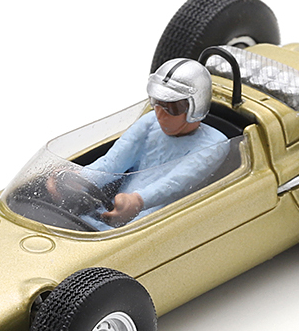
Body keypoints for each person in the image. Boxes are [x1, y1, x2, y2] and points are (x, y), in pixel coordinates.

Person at [74, 59, 229, 227]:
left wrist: (138, 201)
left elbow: (175, 183)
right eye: (157, 103)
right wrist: (80, 179)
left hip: (161, 224)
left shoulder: (215, 144)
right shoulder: (150, 121)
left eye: (173, 108)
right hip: (111, 215)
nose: (160, 115)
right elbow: (112, 162)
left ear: (195, 106)